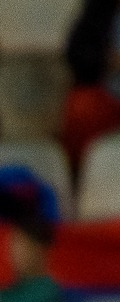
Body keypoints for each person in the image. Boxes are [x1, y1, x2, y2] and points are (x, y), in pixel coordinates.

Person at [63, 0, 120, 174]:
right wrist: (106, 60)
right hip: (106, 96)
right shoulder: (101, 9)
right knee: (81, 107)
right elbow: (77, 53)